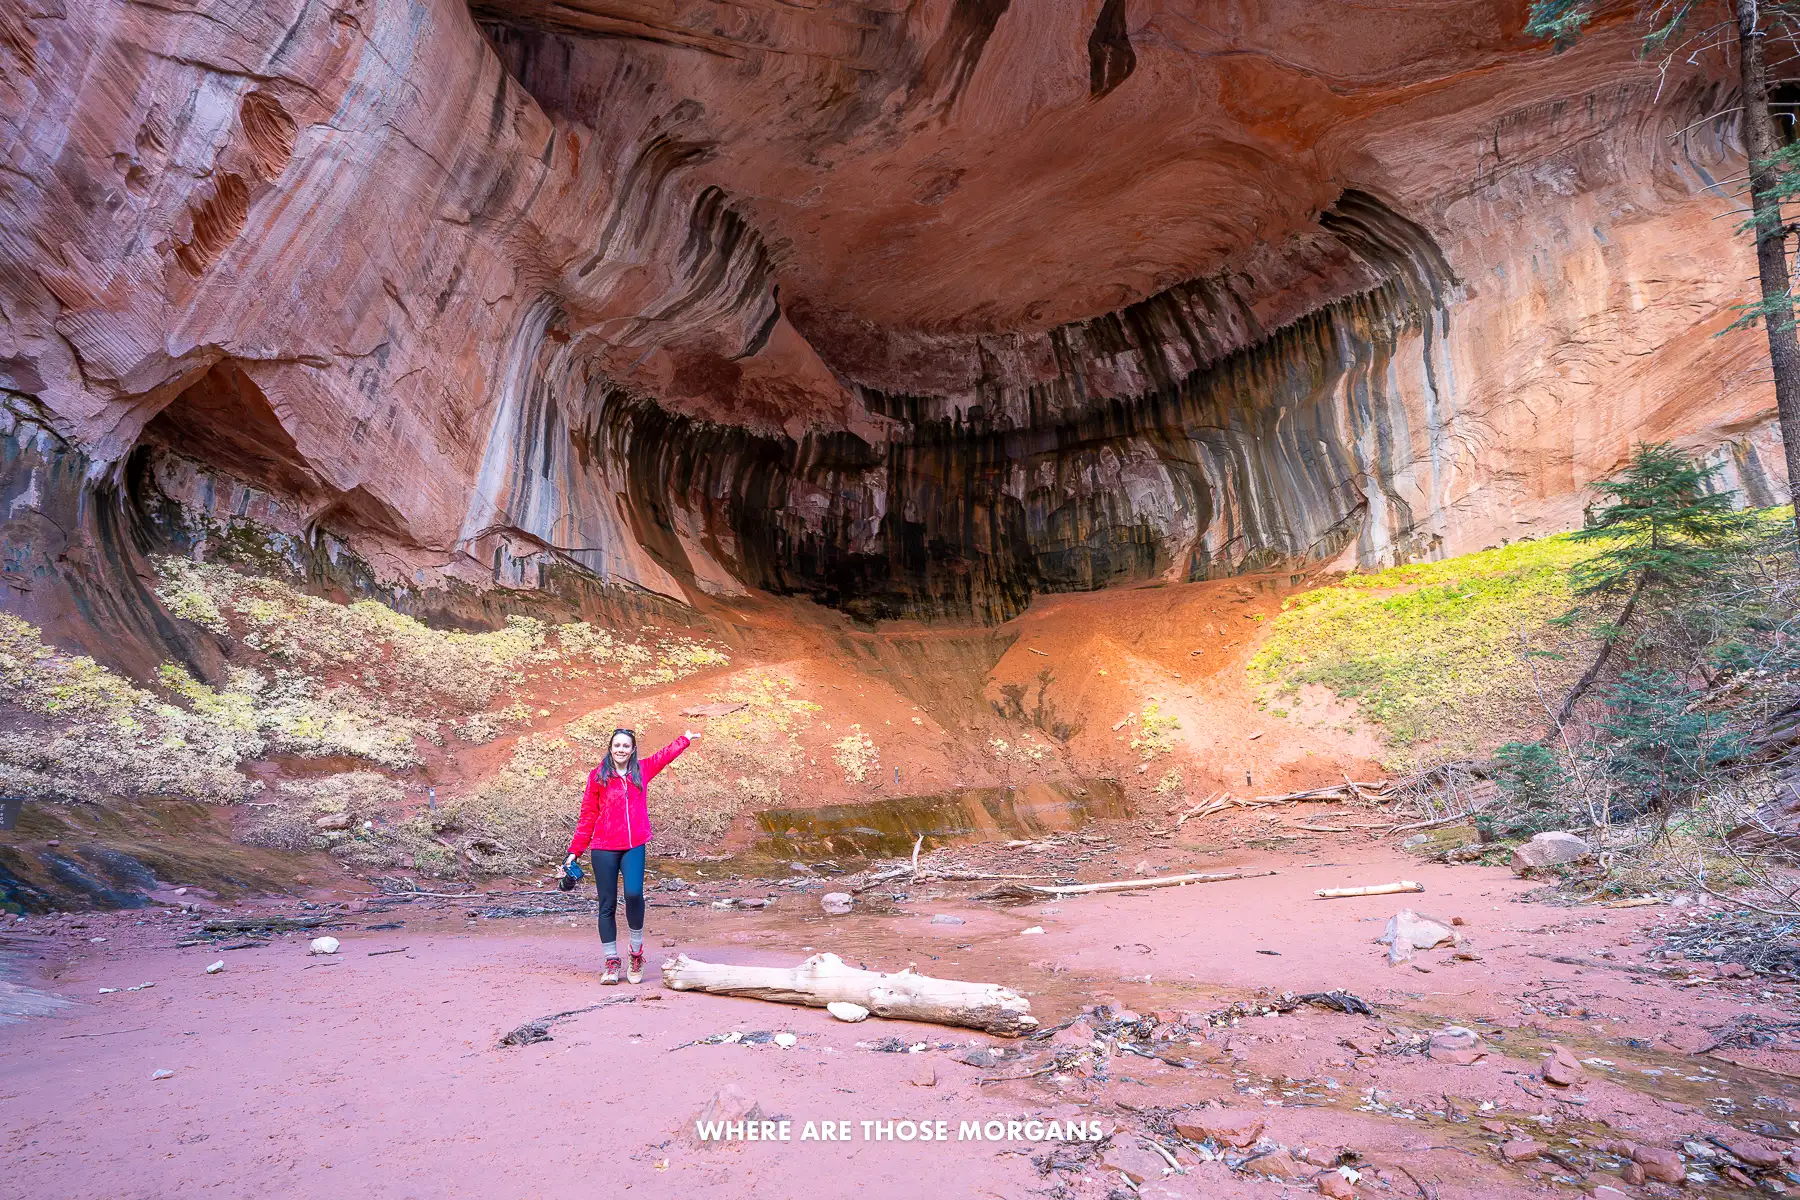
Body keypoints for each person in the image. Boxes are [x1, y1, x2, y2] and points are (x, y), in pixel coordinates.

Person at [563, 726, 697, 984]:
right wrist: (574, 852)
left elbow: (664, 756)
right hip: (603, 847)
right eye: (617, 745)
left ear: (632, 749)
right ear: (610, 748)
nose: (621, 749)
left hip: (634, 844)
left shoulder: (641, 771)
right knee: (607, 904)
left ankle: (636, 953)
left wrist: (685, 739)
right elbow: (587, 816)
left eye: (626, 746)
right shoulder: (598, 777)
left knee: (634, 894)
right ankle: (611, 963)